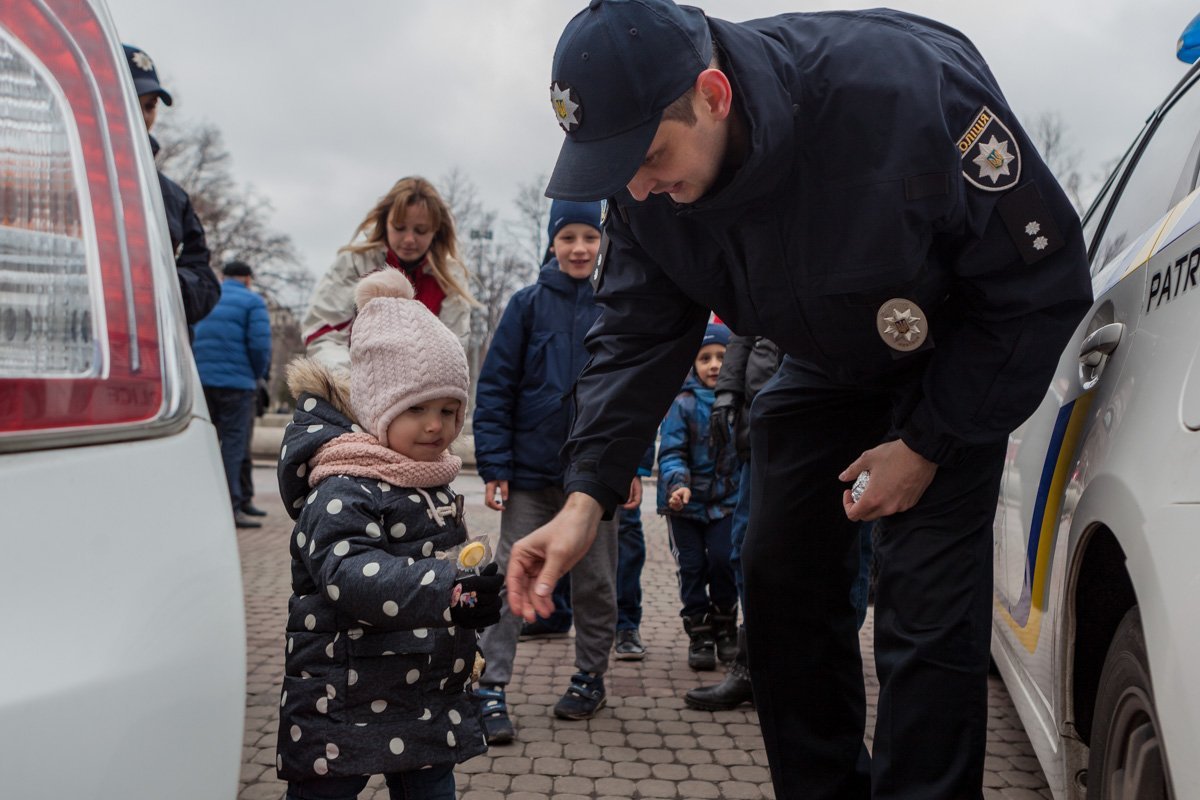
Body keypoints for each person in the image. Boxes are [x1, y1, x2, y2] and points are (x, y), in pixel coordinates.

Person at [507, 2, 1094, 798]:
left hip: (959, 358)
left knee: (923, 614)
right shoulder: (644, 193)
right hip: (823, 361)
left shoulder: (908, 90)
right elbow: (634, 341)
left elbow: (1039, 281)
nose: (640, 187)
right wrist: (584, 500)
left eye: (649, 155)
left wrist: (925, 444)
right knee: (779, 578)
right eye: (617, 171)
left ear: (712, 94)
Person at [274, 268, 501, 800]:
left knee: (431, 790)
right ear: (378, 409)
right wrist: (446, 589)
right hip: (343, 688)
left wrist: (471, 588)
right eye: (416, 409)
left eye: (448, 410)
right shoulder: (342, 486)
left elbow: (443, 564)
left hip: (422, 686)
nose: (436, 426)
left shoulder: (432, 480)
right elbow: (347, 574)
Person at [471, 199, 635, 743]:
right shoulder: (525, 305)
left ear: (604, 241)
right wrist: (495, 464)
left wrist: (629, 464)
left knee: (596, 584)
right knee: (507, 578)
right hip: (530, 475)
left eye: (590, 236)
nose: (580, 248)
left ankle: (590, 676)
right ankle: (489, 686)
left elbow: (634, 393)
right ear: (552, 243)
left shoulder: (619, 304)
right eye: (569, 237)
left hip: (594, 475)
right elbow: (495, 387)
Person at [302, 177, 475, 372]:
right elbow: (324, 332)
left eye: (420, 230)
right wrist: (351, 383)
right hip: (352, 383)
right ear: (385, 223)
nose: (409, 239)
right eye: (399, 228)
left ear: (436, 231)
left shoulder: (449, 279)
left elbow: (451, 352)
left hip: (422, 393)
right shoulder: (355, 263)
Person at [656, 322, 740, 671]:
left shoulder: (740, 403)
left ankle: (724, 623)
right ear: (693, 365)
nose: (714, 364)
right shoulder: (682, 404)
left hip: (726, 503)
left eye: (722, 357)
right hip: (685, 504)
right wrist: (678, 485)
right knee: (692, 567)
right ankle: (699, 630)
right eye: (705, 358)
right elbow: (672, 451)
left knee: (723, 561)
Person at [124, 44, 219, 329]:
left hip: (157, 351)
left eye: (150, 106)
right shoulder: (69, 177)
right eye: (131, 99)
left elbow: (205, 280)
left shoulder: (173, 197)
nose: (143, 116)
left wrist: (162, 285)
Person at [192, 261, 272, 529]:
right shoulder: (252, 302)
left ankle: (240, 498)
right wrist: (257, 375)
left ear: (223, 277)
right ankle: (231, 508)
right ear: (248, 279)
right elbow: (260, 346)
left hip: (202, 382)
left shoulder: (207, 296)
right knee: (236, 445)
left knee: (209, 444)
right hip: (237, 384)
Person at [613, 442, 655, 660]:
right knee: (564, 534)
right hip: (563, 458)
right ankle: (554, 614)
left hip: (617, 460)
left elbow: (640, 410)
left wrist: (635, 468)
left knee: (626, 539)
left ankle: (626, 624)